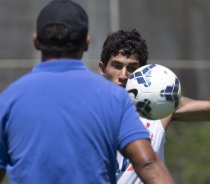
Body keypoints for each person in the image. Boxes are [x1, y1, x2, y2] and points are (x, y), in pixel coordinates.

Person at [0, 1, 175, 184]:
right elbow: (147, 164)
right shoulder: (113, 98)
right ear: (86, 43)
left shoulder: (8, 101)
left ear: (36, 40)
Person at [98, 29, 210, 183]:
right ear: (102, 69)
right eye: (116, 66)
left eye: (131, 68)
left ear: (141, 72)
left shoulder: (161, 106)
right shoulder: (89, 109)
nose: (123, 75)